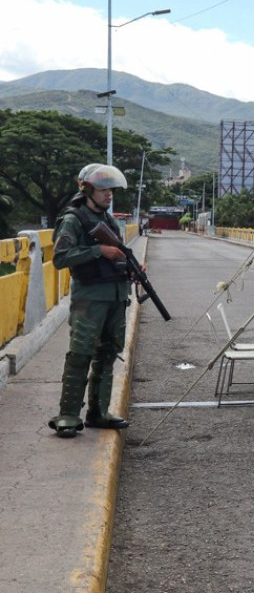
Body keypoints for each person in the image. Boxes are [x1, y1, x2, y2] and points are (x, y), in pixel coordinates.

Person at [48, 164, 134, 438]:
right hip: (90, 299)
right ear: (87, 190)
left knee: (107, 354)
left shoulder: (108, 220)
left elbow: (116, 255)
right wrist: (98, 250)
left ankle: (99, 412)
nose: (109, 194)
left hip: (115, 296)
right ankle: (68, 416)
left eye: (111, 190)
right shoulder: (73, 219)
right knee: (81, 353)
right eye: (103, 189)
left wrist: (131, 268)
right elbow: (60, 258)